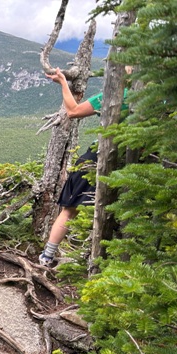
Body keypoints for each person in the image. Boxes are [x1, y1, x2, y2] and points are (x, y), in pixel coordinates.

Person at [39, 67, 130, 266]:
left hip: (95, 159)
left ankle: (47, 257)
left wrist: (64, 83)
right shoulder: (161, 101)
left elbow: (72, 111)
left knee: (70, 210)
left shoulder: (116, 94)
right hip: (129, 166)